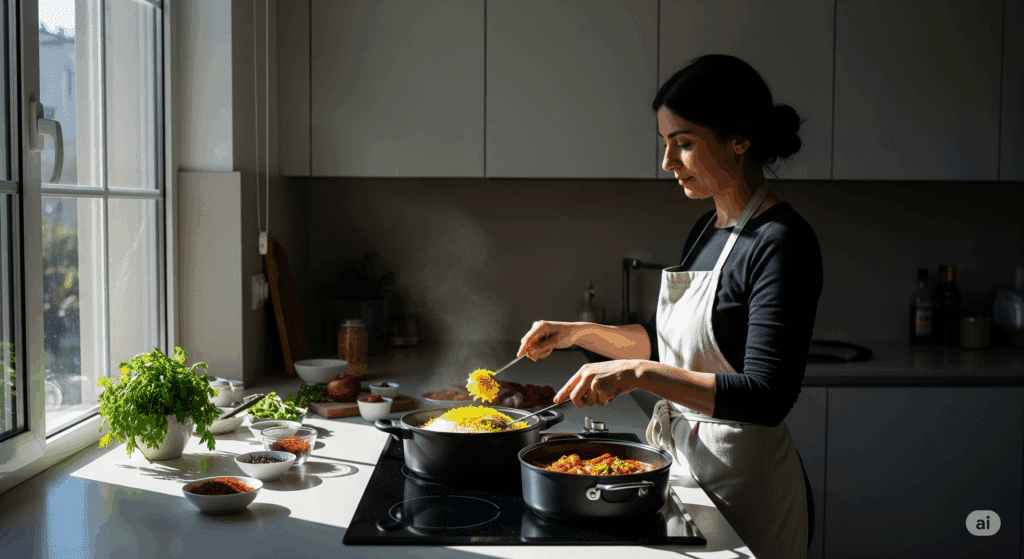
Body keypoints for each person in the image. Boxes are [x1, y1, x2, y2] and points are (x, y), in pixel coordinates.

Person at [516, 54, 822, 559]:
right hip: (687, 472)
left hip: (746, 490)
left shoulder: (781, 241)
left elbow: (767, 397)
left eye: (683, 144)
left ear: (739, 140)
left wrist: (638, 374)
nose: (667, 163)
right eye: (665, 145)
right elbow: (665, 342)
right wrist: (576, 333)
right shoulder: (707, 229)